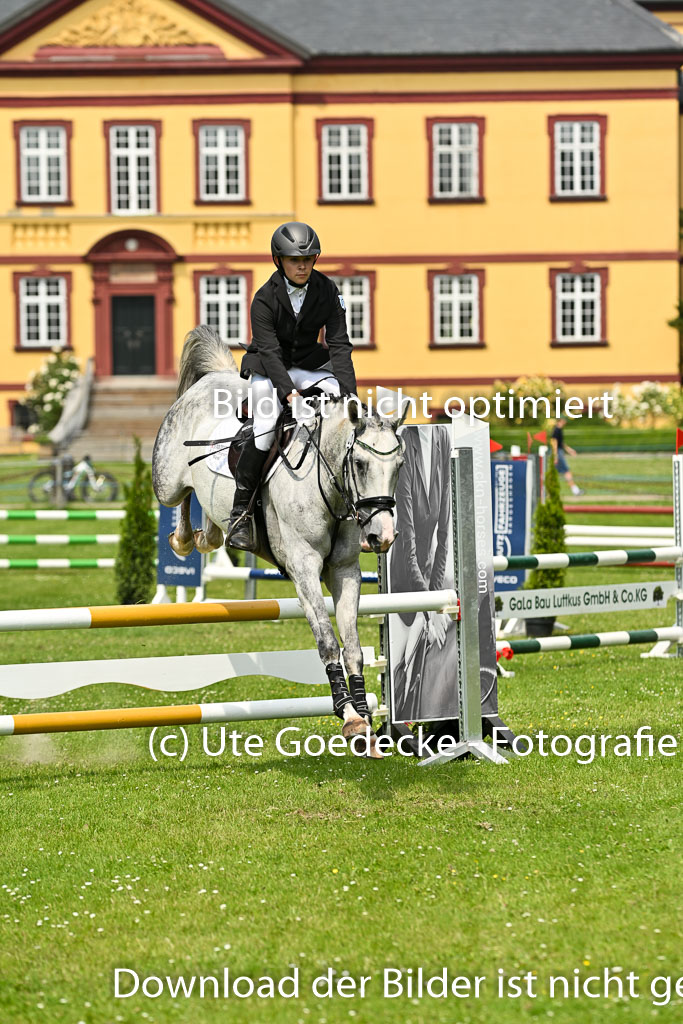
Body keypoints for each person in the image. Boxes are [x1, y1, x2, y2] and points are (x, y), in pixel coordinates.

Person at [226, 221, 358, 550]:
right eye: (294, 260)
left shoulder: (328, 291)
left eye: (309, 259)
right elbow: (270, 352)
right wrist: (291, 396)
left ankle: (351, 505)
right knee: (266, 424)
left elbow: (339, 345)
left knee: (340, 411)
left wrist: (350, 395)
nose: (302, 266)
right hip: (267, 369)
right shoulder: (263, 298)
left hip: (308, 366)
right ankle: (240, 514)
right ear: (279, 260)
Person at [551, 417, 584, 495]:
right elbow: (554, 443)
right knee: (566, 471)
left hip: (558, 452)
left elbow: (561, 443)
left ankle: (550, 491)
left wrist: (569, 450)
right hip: (558, 453)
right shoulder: (556, 430)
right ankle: (575, 490)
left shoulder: (559, 430)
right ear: (560, 421)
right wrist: (555, 456)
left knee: (554, 473)